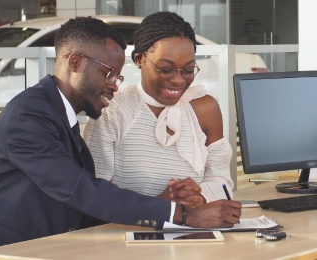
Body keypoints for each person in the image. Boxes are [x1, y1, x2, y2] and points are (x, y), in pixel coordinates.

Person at [0, 17, 241, 260]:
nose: (113, 86)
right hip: (4, 252)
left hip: (45, 248)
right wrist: (183, 215)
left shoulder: (60, 115)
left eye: (117, 77)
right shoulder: (29, 115)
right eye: (108, 73)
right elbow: (82, 191)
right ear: (75, 61)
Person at [84, 11, 233, 206]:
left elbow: (223, 183)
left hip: (194, 228)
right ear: (139, 60)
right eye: (166, 69)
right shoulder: (111, 111)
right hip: (130, 233)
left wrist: (197, 196)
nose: (179, 80)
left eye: (188, 70)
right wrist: (162, 205)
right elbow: (93, 196)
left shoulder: (205, 109)